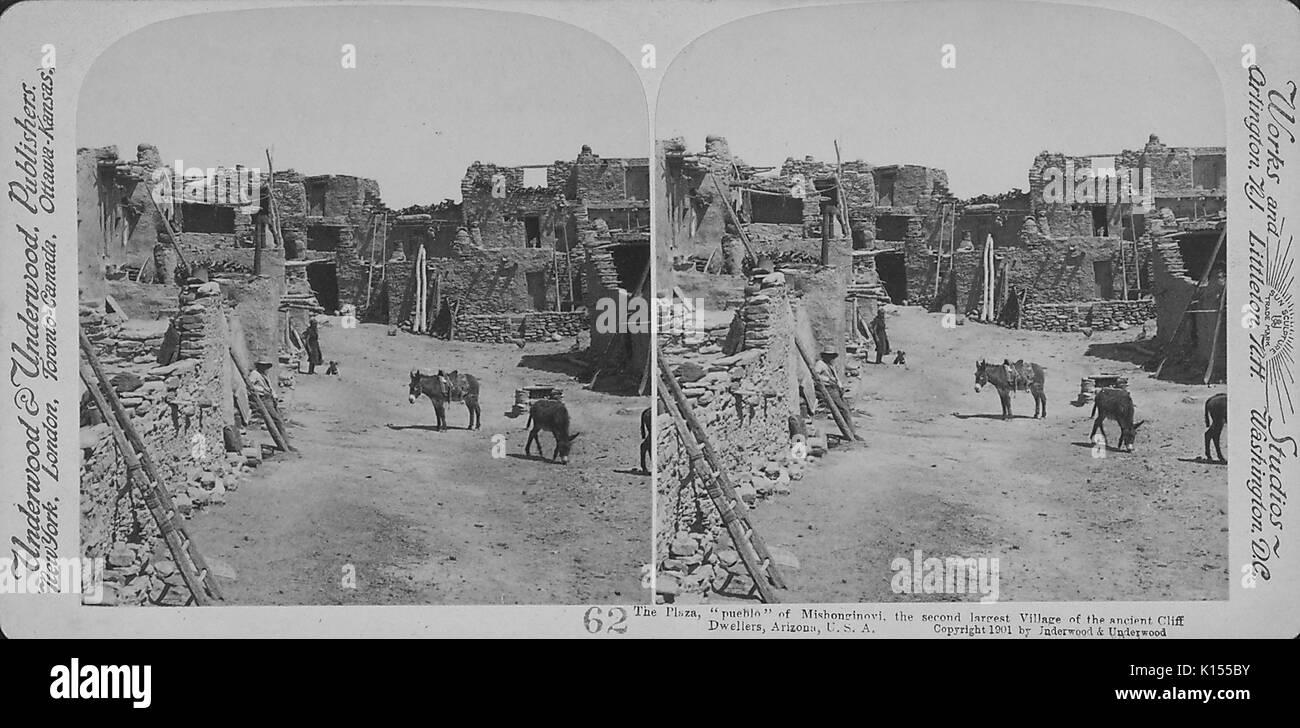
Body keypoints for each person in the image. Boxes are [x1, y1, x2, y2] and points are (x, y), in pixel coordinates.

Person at [812, 348, 851, 418]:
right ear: (824, 356)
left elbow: (836, 377)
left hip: (834, 387)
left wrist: (840, 386)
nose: (831, 358)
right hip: (827, 388)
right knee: (843, 409)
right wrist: (827, 380)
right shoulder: (820, 364)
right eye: (829, 355)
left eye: (832, 356)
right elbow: (815, 376)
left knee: (844, 406)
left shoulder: (830, 365)